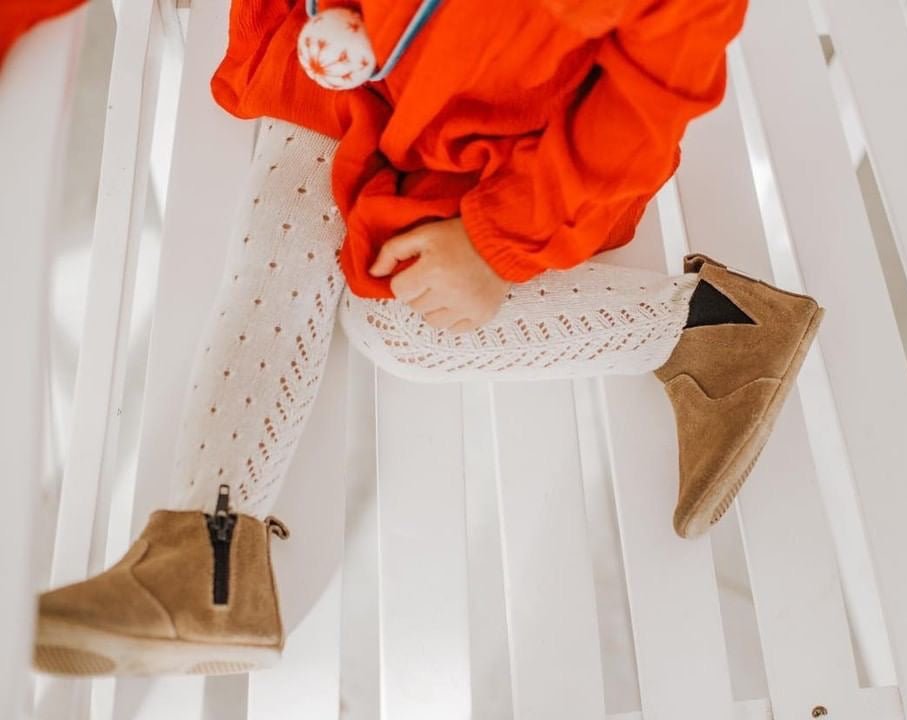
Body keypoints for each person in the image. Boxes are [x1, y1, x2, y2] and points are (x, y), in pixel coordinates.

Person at [32, 0, 822, 677]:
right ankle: (208, 553)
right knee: (288, 200)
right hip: (367, 58)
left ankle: (710, 326)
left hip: (513, 138)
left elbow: (647, 101)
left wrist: (494, 241)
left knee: (401, 323)